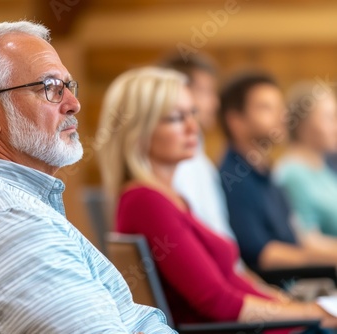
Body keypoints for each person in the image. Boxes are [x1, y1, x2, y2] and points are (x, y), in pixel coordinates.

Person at [0, 21, 174, 333]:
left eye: (69, 87)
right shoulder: (10, 222)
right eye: (50, 88)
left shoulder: (3, 204)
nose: (74, 104)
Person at [96, 66, 337, 329]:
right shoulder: (145, 201)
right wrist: (311, 312)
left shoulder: (170, 198)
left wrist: (293, 306)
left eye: (193, 114)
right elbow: (218, 302)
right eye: (176, 118)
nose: (193, 127)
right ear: (139, 129)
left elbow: (229, 282)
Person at [218, 72, 337, 272]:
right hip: (280, 286)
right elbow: (260, 253)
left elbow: (295, 235)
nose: (281, 115)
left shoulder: (265, 172)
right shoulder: (234, 178)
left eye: (279, 107)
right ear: (236, 121)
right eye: (266, 108)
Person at [159, 53, 234, 240]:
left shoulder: (201, 160)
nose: (215, 103)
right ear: (181, 92)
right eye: (207, 91)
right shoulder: (179, 165)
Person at [274, 82, 337, 238]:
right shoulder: (293, 174)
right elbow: (307, 240)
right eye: (330, 118)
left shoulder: (323, 165)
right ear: (302, 125)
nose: (336, 127)